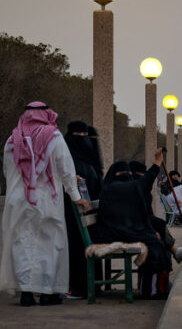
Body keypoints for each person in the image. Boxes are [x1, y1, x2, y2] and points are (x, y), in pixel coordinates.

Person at [0, 102, 89, 306]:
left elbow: (7, 171)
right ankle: (47, 293)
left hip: (19, 200)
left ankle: (26, 293)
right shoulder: (53, 136)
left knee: (22, 244)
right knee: (49, 245)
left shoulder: (13, 139)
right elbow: (66, 169)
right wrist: (76, 196)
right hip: (47, 199)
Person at [92, 152, 175, 299]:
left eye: (129, 173)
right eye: (125, 173)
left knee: (155, 238)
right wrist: (157, 162)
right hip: (113, 234)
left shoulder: (110, 188)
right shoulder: (123, 188)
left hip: (116, 231)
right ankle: (150, 290)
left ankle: (154, 287)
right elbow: (146, 180)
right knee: (154, 243)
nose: (128, 176)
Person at [63, 120, 103, 300]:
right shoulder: (92, 164)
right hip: (89, 219)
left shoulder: (70, 162)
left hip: (74, 218)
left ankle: (78, 287)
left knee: (75, 246)